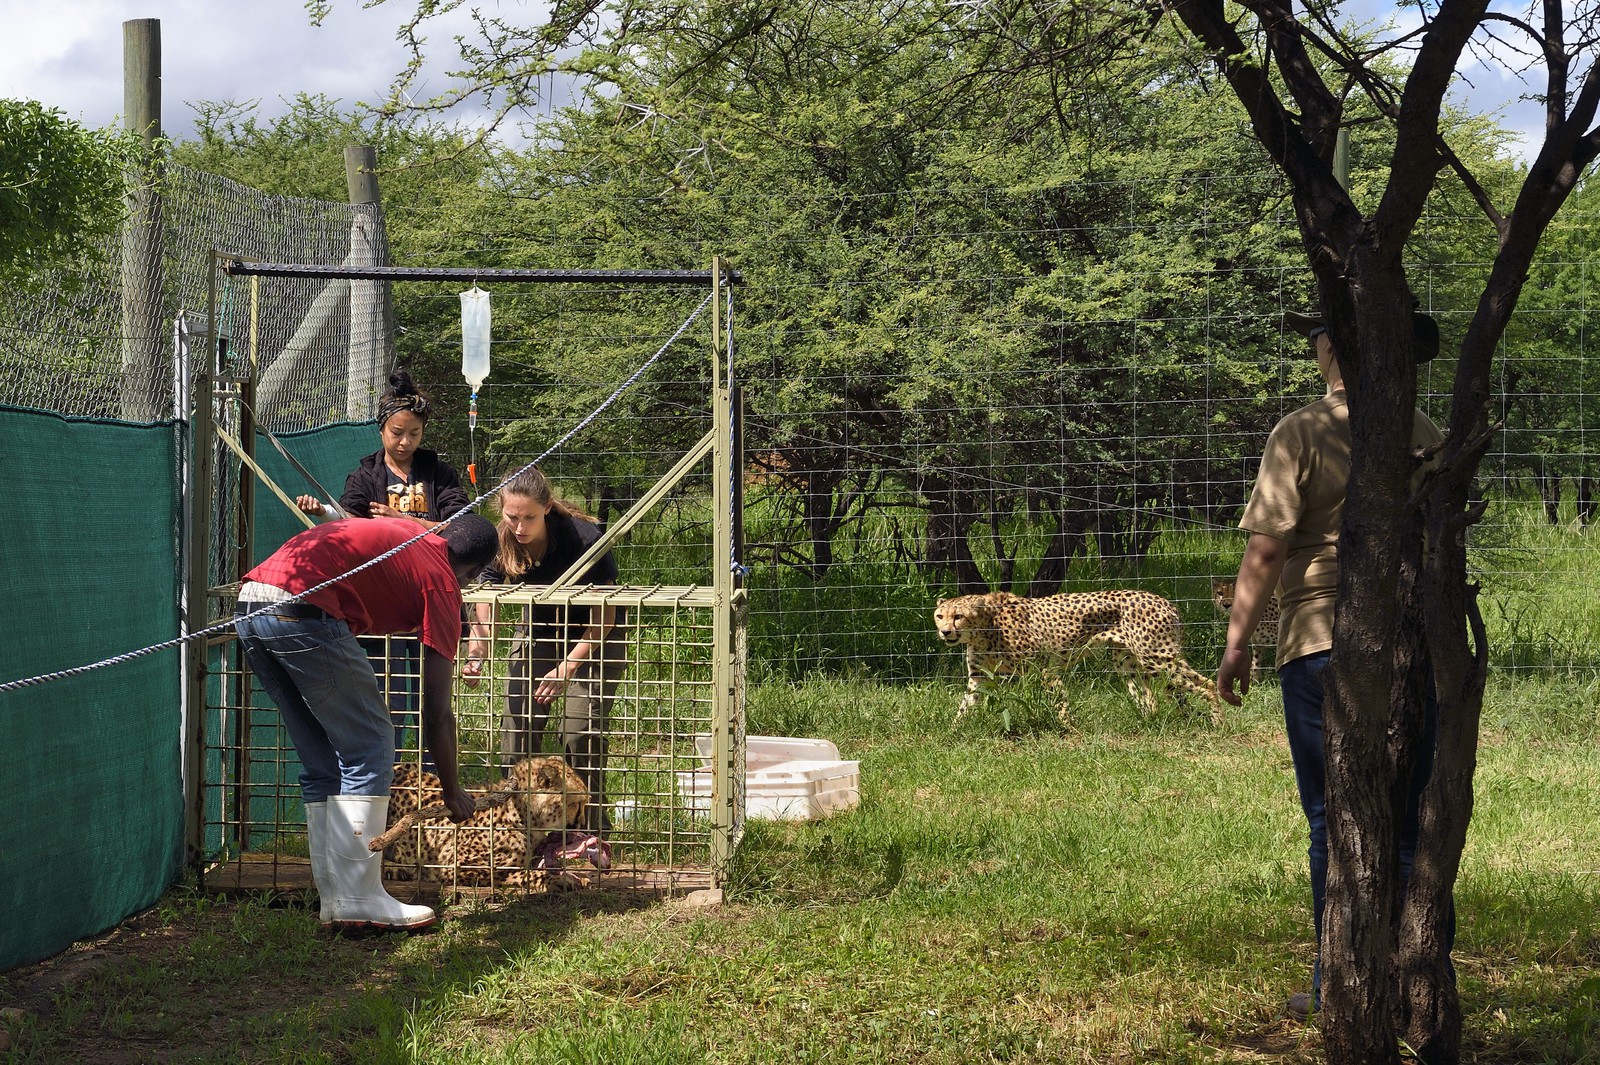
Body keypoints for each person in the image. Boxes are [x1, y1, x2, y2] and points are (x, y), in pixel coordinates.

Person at [1217, 307, 1448, 1021]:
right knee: (1407, 818)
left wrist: (1236, 643)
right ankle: (1417, 982)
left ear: (1327, 348)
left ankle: (1339, 985)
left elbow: (1266, 550)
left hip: (1321, 642)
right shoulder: (1424, 432)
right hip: (1412, 647)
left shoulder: (1300, 431)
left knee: (1331, 818)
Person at [233, 512, 499, 932]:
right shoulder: (444, 582)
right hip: (304, 608)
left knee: (324, 760)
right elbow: (436, 711)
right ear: (472, 573)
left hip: (251, 602)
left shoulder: (416, 535)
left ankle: (334, 899)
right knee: (371, 744)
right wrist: (452, 790)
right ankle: (358, 901)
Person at [295, 370, 471, 765]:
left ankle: (431, 776)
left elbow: (461, 528)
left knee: (434, 699)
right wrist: (322, 512)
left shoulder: (440, 475)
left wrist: (403, 521)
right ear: (381, 429)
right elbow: (349, 526)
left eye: (414, 434)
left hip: (432, 599)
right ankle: (387, 775)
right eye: (397, 432)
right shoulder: (364, 477)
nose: (405, 441)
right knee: (389, 698)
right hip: (381, 605)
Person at [463, 467, 623, 851]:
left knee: (579, 734)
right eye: (511, 516)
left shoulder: (584, 538)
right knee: (517, 727)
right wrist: (478, 649)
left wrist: (568, 666)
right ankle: (514, 832)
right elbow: (486, 598)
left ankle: (587, 834)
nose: (520, 527)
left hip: (593, 636)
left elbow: (605, 617)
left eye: (529, 518)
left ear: (547, 507)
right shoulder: (501, 540)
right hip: (538, 627)